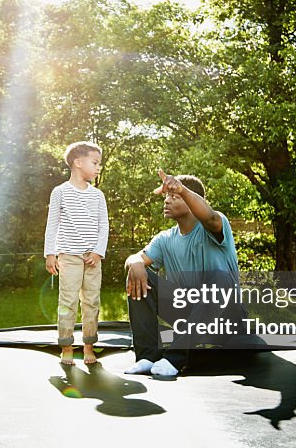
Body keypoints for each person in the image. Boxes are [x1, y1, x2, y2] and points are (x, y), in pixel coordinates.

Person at [124, 170, 241, 377]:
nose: (166, 201)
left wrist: (182, 189)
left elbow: (210, 216)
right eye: (166, 196)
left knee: (221, 278)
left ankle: (175, 358)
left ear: (191, 200)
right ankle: (147, 356)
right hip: (189, 315)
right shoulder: (164, 239)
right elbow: (136, 259)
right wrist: (134, 262)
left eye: (174, 196)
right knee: (139, 274)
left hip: (226, 318)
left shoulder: (215, 224)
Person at [44, 141, 109, 365]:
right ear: (78, 163)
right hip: (69, 257)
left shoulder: (97, 196)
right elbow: (52, 224)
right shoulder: (60, 192)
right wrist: (50, 253)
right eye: (95, 162)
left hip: (92, 259)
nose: (99, 167)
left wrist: (98, 252)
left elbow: (104, 226)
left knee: (92, 301)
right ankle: (67, 347)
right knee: (68, 301)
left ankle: (89, 346)